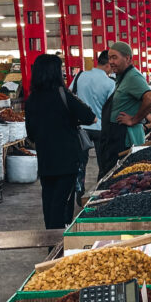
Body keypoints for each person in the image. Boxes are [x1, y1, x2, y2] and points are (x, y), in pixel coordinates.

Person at [24, 54, 95, 229]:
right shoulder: (63, 94)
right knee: (61, 202)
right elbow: (91, 118)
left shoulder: (32, 99)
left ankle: (51, 242)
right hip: (67, 160)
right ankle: (58, 246)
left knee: (49, 202)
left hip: (46, 160)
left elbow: (31, 134)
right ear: (55, 73)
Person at [99, 42, 151, 174]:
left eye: (115, 57)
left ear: (127, 58)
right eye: (109, 58)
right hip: (114, 135)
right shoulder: (122, 77)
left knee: (119, 175)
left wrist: (134, 120)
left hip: (123, 136)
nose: (111, 62)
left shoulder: (133, 77)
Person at [70, 50, 115, 203]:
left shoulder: (80, 76)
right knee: (103, 164)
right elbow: (112, 109)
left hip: (81, 129)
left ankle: (79, 191)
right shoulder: (110, 83)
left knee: (80, 163)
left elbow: (70, 97)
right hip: (101, 129)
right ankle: (99, 193)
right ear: (108, 64)